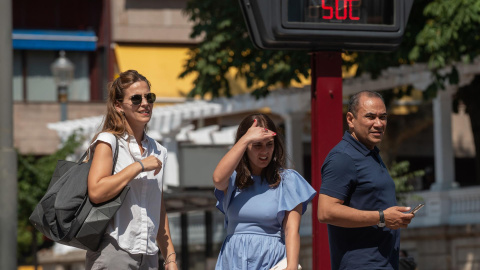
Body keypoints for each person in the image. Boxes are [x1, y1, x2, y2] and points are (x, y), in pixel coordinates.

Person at [85, 70, 178, 270]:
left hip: (149, 254)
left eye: (149, 97)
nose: (145, 103)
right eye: (136, 99)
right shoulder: (108, 141)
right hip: (114, 250)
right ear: (119, 106)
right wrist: (139, 166)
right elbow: (96, 191)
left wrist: (170, 257)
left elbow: (158, 208)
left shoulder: (158, 150)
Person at [317, 90, 415, 270]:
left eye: (383, 117)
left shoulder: (371, 154)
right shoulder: (343, 157)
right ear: (350, 119)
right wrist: (382, 217)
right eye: (370, 117)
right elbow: (326, 212)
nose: (378, 123)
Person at [213, 113, 316, 270]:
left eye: (269, 144)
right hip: (233, 259)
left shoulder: (288, 180)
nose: (265, 152)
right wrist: (246, 138)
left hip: (271, 259)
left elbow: (291, 230)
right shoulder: (233, 178)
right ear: (245, 145)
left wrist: (292, 266)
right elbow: (218, 179)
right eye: (257, 145)